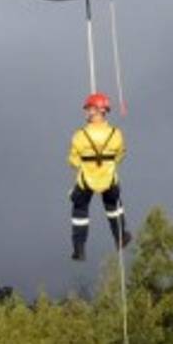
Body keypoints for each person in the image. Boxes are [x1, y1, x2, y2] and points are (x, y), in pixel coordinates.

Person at [67, 92, 131, 260]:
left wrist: (86, 167)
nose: (86, 112)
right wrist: (108, 165)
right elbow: (120, 155)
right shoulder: (116, 134)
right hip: (109, 178)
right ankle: (120, 237)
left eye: (89, 109)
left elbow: (73, 160)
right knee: (114, 207)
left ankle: (79, 249)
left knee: (79, 210)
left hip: (86, 180)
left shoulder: (80, 135)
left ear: (97, 110)